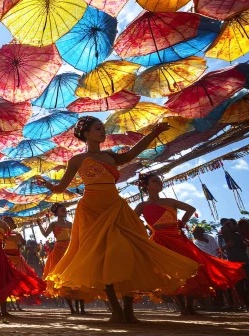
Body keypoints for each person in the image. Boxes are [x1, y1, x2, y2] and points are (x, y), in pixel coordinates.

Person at [38, 116, 199, 324]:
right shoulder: (76, 160)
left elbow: (134, 152)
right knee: (101, 256)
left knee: (128, 251)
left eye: (103, 128)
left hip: (116, 206)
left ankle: (129, 310)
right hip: (91, 209)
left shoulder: (111, 157)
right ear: (86, 134)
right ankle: (115, 310)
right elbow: (61, 188)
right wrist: (48, 186)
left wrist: (154, 133)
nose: (102, 132)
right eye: (98, 128)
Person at [134, 174, 245, 316]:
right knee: (168, 273)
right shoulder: (142, 205)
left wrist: (183, 223)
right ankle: (182, 307)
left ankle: (189, 306)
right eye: (155, 181)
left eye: (160, 181)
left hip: (177, 238)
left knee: (189, 269)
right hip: (159, 241)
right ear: (145, 186)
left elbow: (191, 209)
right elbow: (131, 219)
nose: (159, 183)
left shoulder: (170, 201)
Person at [37, 204, 88, 315]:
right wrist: (40, 225)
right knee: (62, 278)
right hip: (58, 251)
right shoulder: (53, 224)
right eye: (62, 209)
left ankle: (82, 308)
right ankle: (72, 309)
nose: (64, 211)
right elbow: (45, 235)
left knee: (76, 275)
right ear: (56, 212)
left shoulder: (71, 224)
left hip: (71, 249)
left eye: (65, 209)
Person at [1, 217, 43, 312]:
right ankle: (8, 304)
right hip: (7, 260)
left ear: (12, 224)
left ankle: (16, 304)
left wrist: (20, 241)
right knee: (7, 282)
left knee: (18, 282)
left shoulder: (17, 234)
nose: (7, 224)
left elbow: (23, 243)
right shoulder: (1, 235)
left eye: (9, 222)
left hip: (17, 259)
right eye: (5, 222)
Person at [220, 219, 249, 311]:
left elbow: (245, 244)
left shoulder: (238, 235)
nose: (229, 226)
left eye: (230, 224)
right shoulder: (222, 237)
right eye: (227, 224)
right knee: (239, 284)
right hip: (234, 261)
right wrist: (226, 246)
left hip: (244, 259)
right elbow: (220, 248)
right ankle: (246, 304)